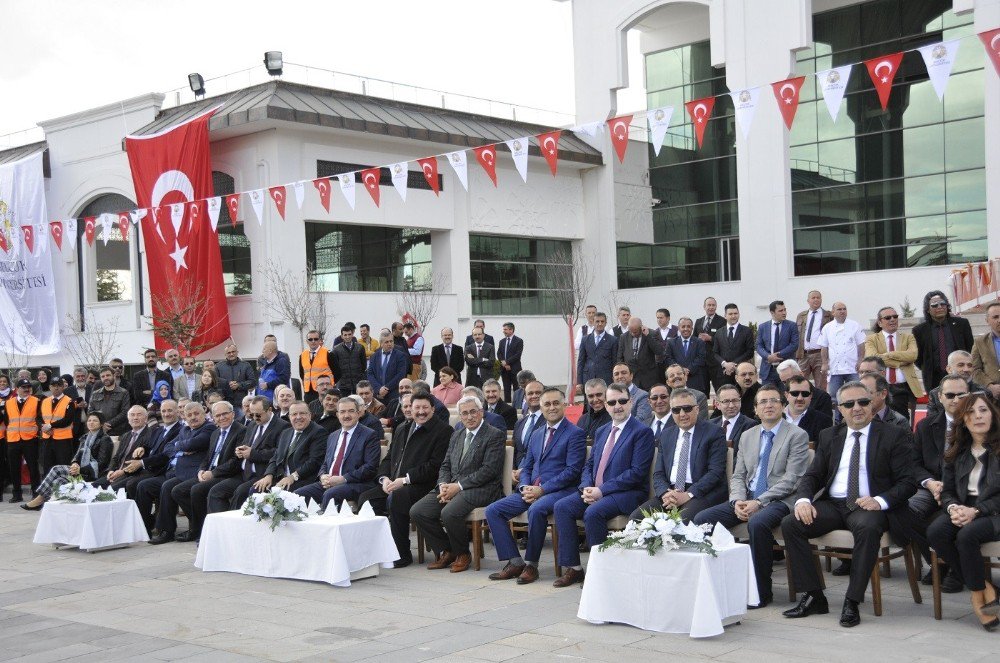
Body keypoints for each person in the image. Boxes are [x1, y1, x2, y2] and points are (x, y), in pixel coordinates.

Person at [781, 381, 917, 628]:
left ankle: (852, 600)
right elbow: (812, 475)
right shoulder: (829, 435)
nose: (857, 408)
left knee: (867, 529)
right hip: (834, 504)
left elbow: (908, 482)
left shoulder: (893, 435)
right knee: (792, 523)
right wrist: (802, 500)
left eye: (863, 402)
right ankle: (814, 596)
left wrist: (879, 500)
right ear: (839, 409)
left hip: (870, 505)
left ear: (872, 405)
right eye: (849, 404)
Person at [694, 384, 811, 607]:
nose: (768, 405)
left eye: (773, 401)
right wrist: (737, 500)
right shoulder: (748, 436)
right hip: (747, 498)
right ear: (755, 409)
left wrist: (759, 501)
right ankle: (715, 583)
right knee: (702, 520)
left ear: (783, 405)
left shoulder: (797, 435)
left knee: (757, 523)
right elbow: (738, 475)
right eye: (763, 402)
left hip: (779, 500)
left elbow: (792, 479)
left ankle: (760, 590)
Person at [552, 382, 654, 587]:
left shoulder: (642, 432)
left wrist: (601, 490)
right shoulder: (602, 431)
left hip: (627, 493)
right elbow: (590, 464)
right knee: (561, 507)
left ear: (631, 402)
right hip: (596, 490)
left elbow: (637, 473)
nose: (617, 406)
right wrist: (586, 486)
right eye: (612, 402)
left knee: (593, 513)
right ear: (606, 406)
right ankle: (574, 568)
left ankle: (601, 572)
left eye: (622, 401)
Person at [486, 387, 586, 585]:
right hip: (532, 490)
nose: (552, 407)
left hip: (559, 491)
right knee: (493, 511)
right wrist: (524, 487)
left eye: (556, 403)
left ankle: (531, 564)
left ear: (564, 405)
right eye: (547, 404)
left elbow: (572, 471)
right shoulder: (537, 434)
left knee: (537, 509)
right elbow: (527, 466)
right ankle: (515, 562)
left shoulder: (575, 433)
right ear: (540, 407)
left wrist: (542, 489)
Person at [927, 393, 1000, 631]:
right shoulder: (956, 450)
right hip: (964, 507)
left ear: (993, 414)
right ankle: (983, 588)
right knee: (937, 531)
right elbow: (947, 491)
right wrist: (953, 507)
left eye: (983, 410)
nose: (977, 416)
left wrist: (976, 511)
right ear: (963, 420)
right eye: (970, 412)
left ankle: (978, 597)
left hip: (994, 511)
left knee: (967, 536)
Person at [410, 395, 506, 573]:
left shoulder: (494, 435)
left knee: (449, 513)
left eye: (473, 412)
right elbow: (445, 464)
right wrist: (443, 484)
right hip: (453, 486)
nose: (469, 417)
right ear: (460, 416)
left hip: (482, 488)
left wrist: (459, 486)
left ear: (481, 412)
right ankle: (448, 550)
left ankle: (463, 554)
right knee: (418, 511)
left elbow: (489, 471)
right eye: (465, 414)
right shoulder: (457, 435)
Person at [358, 392, 451, 567]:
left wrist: (405, 480)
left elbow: (435, 466)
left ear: (433, 409)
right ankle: (376, 549)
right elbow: (389, 458)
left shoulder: (443, 431)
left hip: (424, 485)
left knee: (398, 497)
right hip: (394, 483)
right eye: (417, 408)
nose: (421, 412)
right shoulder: (402, 427)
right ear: (409, 409)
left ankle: (401, 553)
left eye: (425, 408)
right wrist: (384, 479)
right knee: (366, 500)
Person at [630, 387, 726, 522]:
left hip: (701, 493)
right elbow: (658, 473)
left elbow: (715, 472)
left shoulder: (714, 432)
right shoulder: (667, 434)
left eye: (687, 408)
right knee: (636, 519)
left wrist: (688, 494)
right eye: (676, 410)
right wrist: (665, 493)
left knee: (680, 522)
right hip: (671, 492)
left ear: (697, 409)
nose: (682, 414)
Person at [911, 373, 968, 593]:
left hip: (962, 490)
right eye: (950, 395)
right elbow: (914, 464)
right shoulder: (926, 426)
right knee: (904, 513)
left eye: (961, 395)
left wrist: (950, 490)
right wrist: (930, 483)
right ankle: (940, 562)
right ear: (940, 397)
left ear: (969, 395)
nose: (955, 400)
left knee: (952, 517)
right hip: (932, 486)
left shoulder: (979, 424)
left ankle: (955, 569)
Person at [170, 402, 245, 542]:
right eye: (218, 415)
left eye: (225, 414)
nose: (222, 418)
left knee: (197, 490)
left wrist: (213, 473)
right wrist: (201, 470)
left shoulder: (241, 431)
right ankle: (201, 527)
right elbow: (208, 457)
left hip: (228, 474)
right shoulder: (216, 433)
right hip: (209, 472)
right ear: (214, 418)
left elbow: (236, 461)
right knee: (177, 491)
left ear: (233, 414)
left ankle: (205, 532)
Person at [231, 401, 328, 508]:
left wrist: (293, 476)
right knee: (256, 489)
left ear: (310, 415)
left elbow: (314, 461)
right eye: (294, 414)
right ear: (290, 416)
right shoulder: (286, 432)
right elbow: (276, 456)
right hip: (281, 477)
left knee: (282, 495)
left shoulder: (318, 432)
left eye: (302, 413)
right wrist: (269, 475)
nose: (298, 417)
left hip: (302, 479)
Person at [146, 402, 218, 544]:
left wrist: (180, 446)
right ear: (184, 416)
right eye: (189, 415)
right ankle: (166, 531)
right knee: (166, 486)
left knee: (178, 490)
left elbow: (194, 444)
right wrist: (181, 448)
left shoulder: (209, 428)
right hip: (182, 472)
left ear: (204, 413)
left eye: (196, 414)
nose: (193, 417)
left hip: (197, 472)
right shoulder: (185, 430)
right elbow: (168, 447)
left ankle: (199, 526)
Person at [208, 396, 288, 513]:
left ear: (269, 410)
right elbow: (247, 445)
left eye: (258, 414)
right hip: (244, 473)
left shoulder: (282, 426)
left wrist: (252, 453)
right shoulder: (252, 425)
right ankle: (222, 527)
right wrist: (240, 451)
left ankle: (234, 527)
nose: (255, 418)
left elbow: (279, 453)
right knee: (216, 492)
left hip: (262, 474)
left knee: (240, 492)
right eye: (251, 414)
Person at [20, 412, 114, 511]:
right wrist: (74, 464)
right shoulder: (85, 437)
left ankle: (39, 499)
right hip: (79, 473)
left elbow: (102, 463)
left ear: (101, 424)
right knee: (58, 481)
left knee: (57, 469)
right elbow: (76, 457)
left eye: (95, 421)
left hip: (93, 475)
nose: (91, 423)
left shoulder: (105, 440)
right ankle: (54, 508)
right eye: (89, 420)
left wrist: (80, 470)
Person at [864, 306, 924, 421]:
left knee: (903, 421)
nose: (892, 319)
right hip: (882, 385)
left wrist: (888, 355)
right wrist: (901, 359)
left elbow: (912, 356)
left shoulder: (908, 337)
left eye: (895, 316)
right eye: (888, 317)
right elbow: (873, 359)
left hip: (904, 387)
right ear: (880, 323)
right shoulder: (871, 339)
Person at [912, 291, 974, 396]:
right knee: (937, 409)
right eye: (934, 305)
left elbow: (970, 349)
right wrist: (928, 368)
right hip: (934, 378)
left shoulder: (961, 324)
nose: (939, 307)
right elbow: (918, 358)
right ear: (928, 309)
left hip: (960, 375)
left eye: (943, 303)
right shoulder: (919, 330)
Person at [818, 302, 867, 418]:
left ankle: (856, 417)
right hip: (835, 369)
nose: (842, 311)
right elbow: (824, 347)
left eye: (844, 309)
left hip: (852, 367)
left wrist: (860, 360)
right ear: (833, 312)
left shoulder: (855, 325)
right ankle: (838, 419)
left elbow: (861, 345)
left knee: (857, 393)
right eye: (839, 309)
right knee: (835, 397)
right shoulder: (827, 328)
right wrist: (825, 363)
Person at [95, 405, 158, 491]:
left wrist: (123, 471)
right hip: (116, 472)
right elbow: (116, 457)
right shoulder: (125, 435)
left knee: (111, 489)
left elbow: (144, 458)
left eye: (139, 415)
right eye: (132, 415)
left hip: (133, 473)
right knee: (94, 486)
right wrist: (111, 470)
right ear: (128, 419)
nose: (135, 418)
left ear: (146, 418)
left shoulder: (151, 434)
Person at [6, 378, 43, 501]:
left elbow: (39, 419)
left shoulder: (37, 401)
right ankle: (17, 494)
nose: (27, 389)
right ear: (17, 389)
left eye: (28, 387)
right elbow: (7, 420)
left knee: (33, 467)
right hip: (13, 439)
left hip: (30, 439)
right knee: (14, 468)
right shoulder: (8, 403)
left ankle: (35, 493)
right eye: (24, 387)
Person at [926, 351, 989, 418]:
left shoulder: (983, 393)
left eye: (969, 365)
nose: (966, 369)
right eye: (961, 365)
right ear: (949, 369)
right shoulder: (935, 394)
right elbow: (932, 423)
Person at [756, 300, 800, 386]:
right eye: (780, 311)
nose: (784, 313)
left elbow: (794, 345)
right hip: (768, 370)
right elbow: (758, 345)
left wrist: (778, 355)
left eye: (785, 310)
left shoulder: (792, 326)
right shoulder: (763, 327)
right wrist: (768, 357)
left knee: (786, 397)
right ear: (772, 312)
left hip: (786, 369)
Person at [796, 291, 833, 391]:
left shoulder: (828, 316)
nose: (816, 299)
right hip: (803, 354)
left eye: (818, 297)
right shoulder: (801, 316)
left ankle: (820, 405)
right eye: (813, 298)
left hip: (820, 355)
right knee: (800, 383)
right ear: (808, 301)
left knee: (821, 385)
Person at [39, 377, 77, 473]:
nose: (56, 388)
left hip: (63, 440)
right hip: (47, 438)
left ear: (63, 387)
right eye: (54, 386)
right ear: (50, 387)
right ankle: (49, 487)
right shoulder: (45, 401)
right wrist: (42, 426)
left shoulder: (69, 401)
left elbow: (67, 420)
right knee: (47, 465)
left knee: (63, 465)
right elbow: (39, 417)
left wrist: (50, 426)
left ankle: (65, 487)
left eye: (59, 385)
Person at [616, 317, 664, 391]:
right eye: (631, 331)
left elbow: (659, 351)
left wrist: (648, 336)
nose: (633, 334)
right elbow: (620, 357)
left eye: (635, 332)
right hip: (632, 380)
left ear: (641, 328)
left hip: (649, 379)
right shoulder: (623, 337)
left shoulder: (652, 334)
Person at [575, 312, 617, 395]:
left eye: (602, 321)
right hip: (588, 378)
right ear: (593, 322)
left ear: (605, 323)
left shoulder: (613, 340)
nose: (600, 324)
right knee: (589, 404)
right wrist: (579, 382)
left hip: (606, 379)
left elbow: (614, 361)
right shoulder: (585, 339)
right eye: (597, 321)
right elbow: (581, 361)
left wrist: (615, 379)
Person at [664, 317, 708, 394]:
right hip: (676, 381)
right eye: (683, 326)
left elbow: (701, 358)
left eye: (688, 326)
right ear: (679, 328)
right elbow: (668, 358)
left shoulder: (699, 342)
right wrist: (680, 370)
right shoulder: (671, 342)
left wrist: (689, 370)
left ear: (692, 328)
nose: (686, 329)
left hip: (695, 380)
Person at [783, 375, 833, 443]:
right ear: (786, 395)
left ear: (811, 396)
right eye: (795, 393)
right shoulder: (774, 418)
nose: (800, 398)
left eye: (805, 394)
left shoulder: (823, 421)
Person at [714, 303, 754, 386]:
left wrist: (733, 364)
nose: (733, 316)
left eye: (735, 313)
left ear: (739, 314)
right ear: (725, 316)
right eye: (730, 314)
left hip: (741, 373)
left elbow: (750, 352)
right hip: (724, 373)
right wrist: (725, 364)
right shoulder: (719, 332)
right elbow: (715, 353)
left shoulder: (747, 331)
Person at [694, 296, 728, 396]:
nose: (711, 307)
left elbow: (724, 341)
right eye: (709, 305)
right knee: (702, 390)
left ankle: (719, 410)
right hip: (701, 362)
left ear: (716, 307)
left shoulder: (722, 321)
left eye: (713, 305)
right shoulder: (698, 321)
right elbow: (694, 339)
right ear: (704, 307)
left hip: (715, 362)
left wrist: (710, 338)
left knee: (719, 388)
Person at [711, 383, 756, 454]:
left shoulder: (750, 425)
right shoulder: (710, 425)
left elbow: (746, 455)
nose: (731, 405)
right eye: (726, 401)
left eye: (735, 400)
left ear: (740, 402)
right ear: (718, 405)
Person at [367, 331, 409, 404]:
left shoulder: (400, 355)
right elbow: (370, 374)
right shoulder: (374, 356)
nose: (389, 344)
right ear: (381, 344)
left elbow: (401, 374)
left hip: (393, 394)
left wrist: (386, 388)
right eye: (386, 342)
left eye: (391, 341)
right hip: (378, 395)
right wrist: (379, 389)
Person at [512, 381, 545, 473]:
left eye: (538, 393)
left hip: (538, 474)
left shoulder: (550, 422)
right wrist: (512, 471)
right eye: (530, 393)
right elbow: (515, 451)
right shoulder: (519, 423)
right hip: (516, 474)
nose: (534, 396)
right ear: (525, 398)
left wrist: (524, 471)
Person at [88, 367, 131, 437]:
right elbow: (90, 411)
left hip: (118, 432)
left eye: (108, 375)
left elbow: (125, 412)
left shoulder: (123, 392)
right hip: (99, 432)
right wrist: (101, 425)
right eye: (103, 376)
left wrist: (108, 424)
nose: (105, 378)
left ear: (114, 376)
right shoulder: (95, 394)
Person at [971, 301, 1000, 401]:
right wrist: (990, 386)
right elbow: (974, 369)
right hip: (993, 398)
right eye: (995, 317)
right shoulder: (979, 342)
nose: (999, 320)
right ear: (987, 320)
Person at [217, 344, 256, 416]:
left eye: (233, 351)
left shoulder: (246, 365)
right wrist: (227, 385)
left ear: (237, 352)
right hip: (225, 404)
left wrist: (239, 385)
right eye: (228, 352)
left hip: (241, 403)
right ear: (225, 354)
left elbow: (252, 381)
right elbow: (215, 383)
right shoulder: (219, 366)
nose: (231, 354)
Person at [331, 325, 367, 397]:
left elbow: (364, 365)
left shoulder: (360, 348)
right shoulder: (336, 349)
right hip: (343, 385)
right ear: (342, 336)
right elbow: (335, 368)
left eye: (349, 334)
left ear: (352, 335)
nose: (347, 337)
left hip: (358, 383)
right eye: (345, 335)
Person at [299, 330, 333, 404]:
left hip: (324, 391)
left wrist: (329, 386)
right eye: (310, 339)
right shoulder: (302, 355)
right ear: (307, 341)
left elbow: (337, 372)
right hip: (308, 392)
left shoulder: (328, 353)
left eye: (316, 339)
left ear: (320, 340)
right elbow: (302, 374)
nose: (313, 341)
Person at [576, 379, 611, 444]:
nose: (595, 399)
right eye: (591, 396)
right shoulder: (582, 420)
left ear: (606, 394)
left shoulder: (614, 418)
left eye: (599, 395)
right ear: (586, 397)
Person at [497, 322, 523, 402]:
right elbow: (499, 353)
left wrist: (507, 362)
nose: (503, 331)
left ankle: (517, 405)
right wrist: (503, 363)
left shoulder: (519, 341)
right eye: (503, 329)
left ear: (511, 330)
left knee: (516, 389)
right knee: (506, 388)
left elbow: (517, 355)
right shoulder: (502, 341)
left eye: (505, 329)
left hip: (515, 368)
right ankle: (507, 405)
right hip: (504, 370)